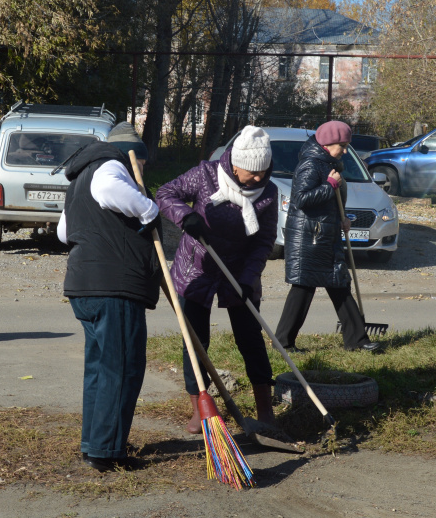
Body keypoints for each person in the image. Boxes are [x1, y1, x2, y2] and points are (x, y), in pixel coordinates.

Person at [155, 125, 279, 433]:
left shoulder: (269, 192)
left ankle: (265, 410)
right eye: (253, 171)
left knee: (251, 338)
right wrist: (186, 216)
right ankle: (200, 406)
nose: (259, 178)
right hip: (195, 268)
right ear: (235, 163)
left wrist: (249, 279)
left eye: (264, 171)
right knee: (195, 339)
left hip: (240, 272)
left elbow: (264, 241)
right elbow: (164, 193)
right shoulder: (205, 175)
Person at [58, 124, 161, 472]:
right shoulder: (110, 165)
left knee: (100, 369)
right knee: (123, 367)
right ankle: (107, 452)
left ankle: (95, 443)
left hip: (84, 288)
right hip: (113, 287)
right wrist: (148, 210)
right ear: (135, 156)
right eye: (142, 165)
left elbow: (63, 231)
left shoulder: (79, 177)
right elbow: (109, 188)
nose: (142, 171)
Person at [274, 121, 381, 353]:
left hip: (324, 235)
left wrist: (342, 219)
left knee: (339, 284)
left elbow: (329, 203)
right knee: (303, 289)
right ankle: (283, 342)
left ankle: (357, 340)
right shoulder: (311, 165)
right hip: (309, 239)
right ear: (326, 143)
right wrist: (329, 186)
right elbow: (301, 199)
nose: (345, 150)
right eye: (342, 145)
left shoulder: (329, 163)